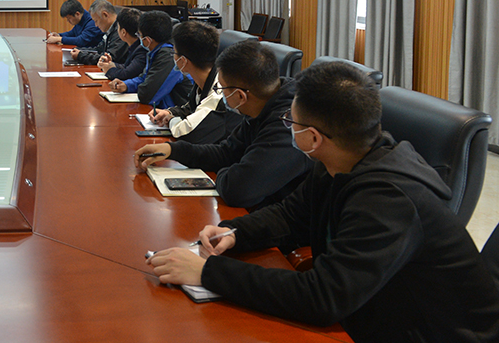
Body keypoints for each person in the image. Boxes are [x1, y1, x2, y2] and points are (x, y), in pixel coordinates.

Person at [146, 61, 499, 343]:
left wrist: (208, 272)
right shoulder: (341, 158)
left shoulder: (389, 199)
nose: (288, 127)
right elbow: (292, 215)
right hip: (375, 312)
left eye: (291, 121)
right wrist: (235, 233)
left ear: (313, 138)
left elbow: (323, 298)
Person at [134, 39, 310, 209]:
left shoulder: (290, 125)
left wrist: (228, 170)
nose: (221, 94)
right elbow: (226, 152)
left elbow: (238, 190)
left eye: (221, 89)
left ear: (240, 96)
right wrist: (172, 150)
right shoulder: (260, 107)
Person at [148, 20, 237, 144]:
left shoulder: (219, 95)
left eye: (174, 53)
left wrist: (171, 119)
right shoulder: (204, 79)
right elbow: (193, 108)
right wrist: (169, 112)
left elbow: (187, 134)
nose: (173, 57)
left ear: (183, 61)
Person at [109, 10, 192, 108]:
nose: (139, 38)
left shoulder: (169, 57)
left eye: (139, 35)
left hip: (176, 112)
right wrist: (126, 85)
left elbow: (147, 95)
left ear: (147, 40)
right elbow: (144, 78)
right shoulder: (156, 52)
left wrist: (138, 87)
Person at [71, 0, 128, 66]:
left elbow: (109, 58)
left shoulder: (121, 31)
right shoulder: (110, 29)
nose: (96, 25)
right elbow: (99, 49)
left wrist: (81, 56)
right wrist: (80, 50)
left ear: (105, 15)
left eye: (96, 21)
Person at [99, 6, 146, 81]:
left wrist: (109, 70)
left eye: (118, 27)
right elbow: (127, 67)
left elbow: (126, 74)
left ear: (123, 32)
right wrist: (112, 64)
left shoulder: (141, 49)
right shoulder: (134, 45)